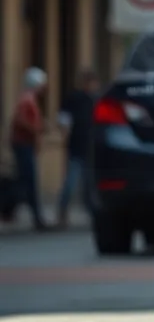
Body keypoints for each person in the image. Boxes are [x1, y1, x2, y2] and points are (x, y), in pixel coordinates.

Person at [55, 68, 101, 228]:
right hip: (76, 147)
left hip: (90, 148)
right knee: (71, 183)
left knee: (89, 185)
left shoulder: (95, 101)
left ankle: (93, 214)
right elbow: (64, 120)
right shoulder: (74, 99)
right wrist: (65, 134)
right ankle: (62, 212)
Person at [8, 67, 50, 230]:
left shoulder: (29, 99)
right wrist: (36, 127)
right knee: (28, 181)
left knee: (25, 181)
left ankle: (13, 211)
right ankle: (36, 217)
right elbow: (20, 120)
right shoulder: (27, 100)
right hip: (23, 144)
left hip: (25, 144)